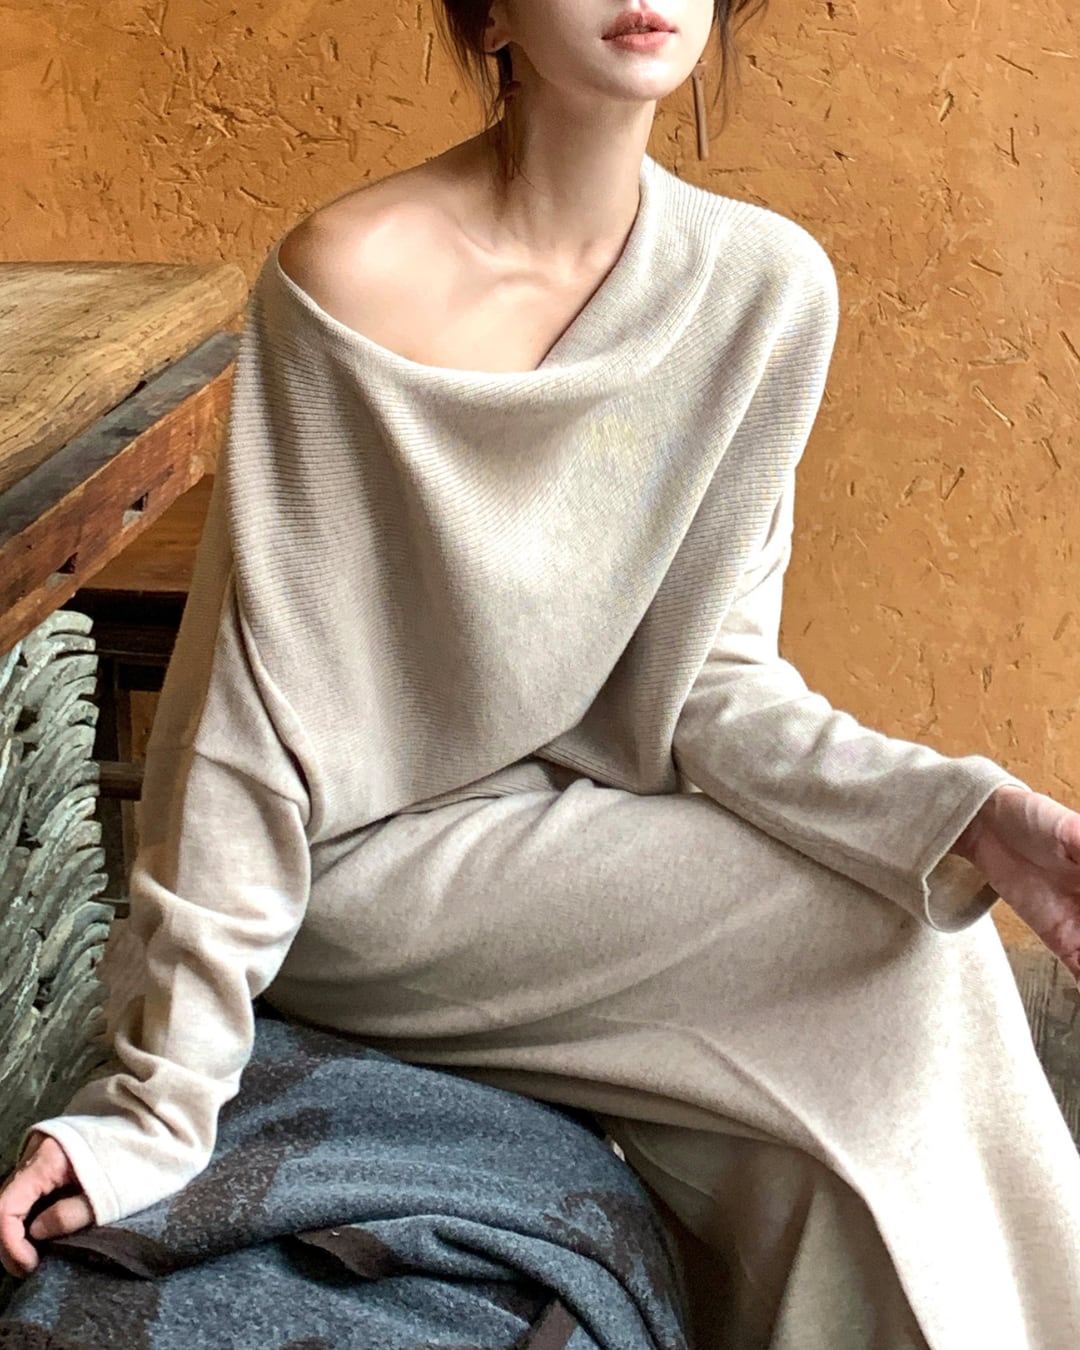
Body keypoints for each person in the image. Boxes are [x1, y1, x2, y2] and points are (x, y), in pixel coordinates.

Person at [3, 3, 1080, 1346]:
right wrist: (156, 1105)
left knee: (896, 989)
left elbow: (715, 691)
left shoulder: (764, 292)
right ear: (494, 12)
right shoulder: (348, 280)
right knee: (895, 963)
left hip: (573, 838)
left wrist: (969, 817)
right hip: (362, 873)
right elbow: (247, 723)